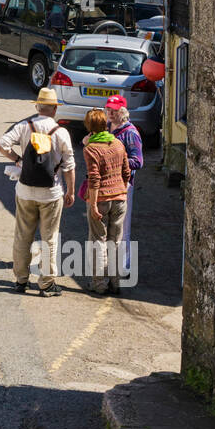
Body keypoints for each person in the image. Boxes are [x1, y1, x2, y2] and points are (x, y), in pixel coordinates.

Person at [0, 87, 77, 297]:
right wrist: (70, 191)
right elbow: (69, 165)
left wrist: (18, 160)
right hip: (51, 193)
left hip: (25, 190)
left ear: (37, 107)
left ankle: (21, 279)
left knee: (23, 236)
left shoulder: (24, 126)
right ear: (54, 109)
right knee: (49, 238)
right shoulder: (61, 132)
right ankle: (46, 283)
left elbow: (1, 144)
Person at [81, 107, 132, 295]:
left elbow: (94, 179)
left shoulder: (91, 149)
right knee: (115, 241)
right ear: (105, 124)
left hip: (101, 199)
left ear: (89, 127)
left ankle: (99, 284)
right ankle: (115, 282)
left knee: (98, 241)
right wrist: (121, 190)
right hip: (120, 199)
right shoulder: (118, 143)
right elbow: (126, 172)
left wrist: (93, 204)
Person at [104, 95, 143, 274]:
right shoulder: (106, 127)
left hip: (123, 185)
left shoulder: (131, 133)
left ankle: (123, 266)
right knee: (108, 225)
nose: (110, 113)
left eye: (114, 111)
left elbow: (138, 161)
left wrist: (116, 161)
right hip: (107, 183)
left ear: (123, 112)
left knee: (122, 226)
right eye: (108, 110)